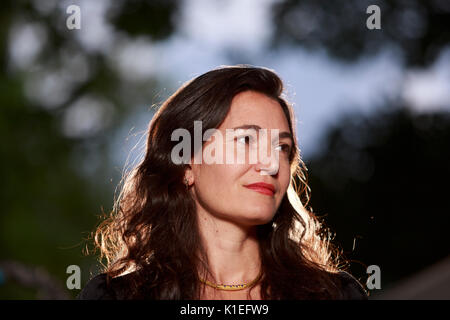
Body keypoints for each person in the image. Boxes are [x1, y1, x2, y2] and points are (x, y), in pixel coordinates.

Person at [78, 65, 368, 300]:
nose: (270, 164)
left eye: (282, 147)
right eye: (245, 140)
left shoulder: (334, 295)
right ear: (185, 164)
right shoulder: (117, 297)